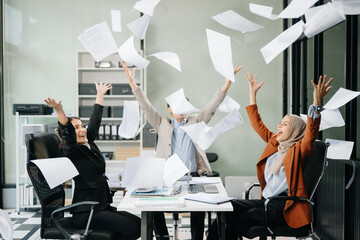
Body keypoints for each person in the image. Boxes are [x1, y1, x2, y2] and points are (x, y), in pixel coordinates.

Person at [121, 61, 242, 240]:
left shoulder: (195, 121)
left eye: (185, 105)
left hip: (193, 176)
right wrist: (132, 84)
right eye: (177, 106)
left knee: (199, 208)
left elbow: (212, 107)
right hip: (165, 179)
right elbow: (145, 106)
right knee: (152, 208)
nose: (182, 110)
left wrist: (226, 84)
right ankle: (162, 236)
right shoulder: (162, 122)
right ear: (169, 109)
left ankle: (196, 238)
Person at [207, 73, 333, 240]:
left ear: (295, 131)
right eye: (280, 122)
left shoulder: (300, 150)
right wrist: (252, 94)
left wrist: (316, 105)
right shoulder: (276, 144)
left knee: (231, 219)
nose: (279, 126)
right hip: (265, 202)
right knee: (228, 207)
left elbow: (310, 134)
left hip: (281, 207)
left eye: (285, 124)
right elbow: (257, 124)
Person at [44, 82, 141, 240]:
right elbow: (67, 133)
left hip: (100, 207)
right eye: (76, 128)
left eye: (82, 126)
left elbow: (95, 121)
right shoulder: (70, 151)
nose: (82, 129)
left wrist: (100, 95)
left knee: (140, 224)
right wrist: (59, 111)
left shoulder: (89, 144)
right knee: (131, 228)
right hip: (86, 213)